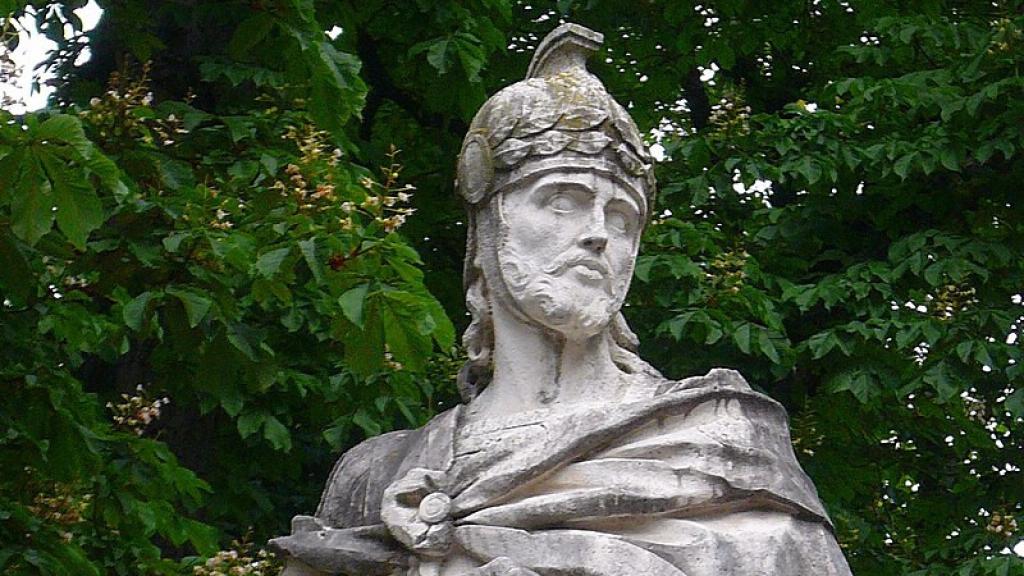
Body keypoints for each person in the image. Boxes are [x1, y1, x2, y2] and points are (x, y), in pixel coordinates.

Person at [270, 23, 853, 576]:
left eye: (622, 217)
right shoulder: (377, 475)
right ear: (486, 233)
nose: (600, 233)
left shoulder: (720, 446)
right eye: (562, 200)